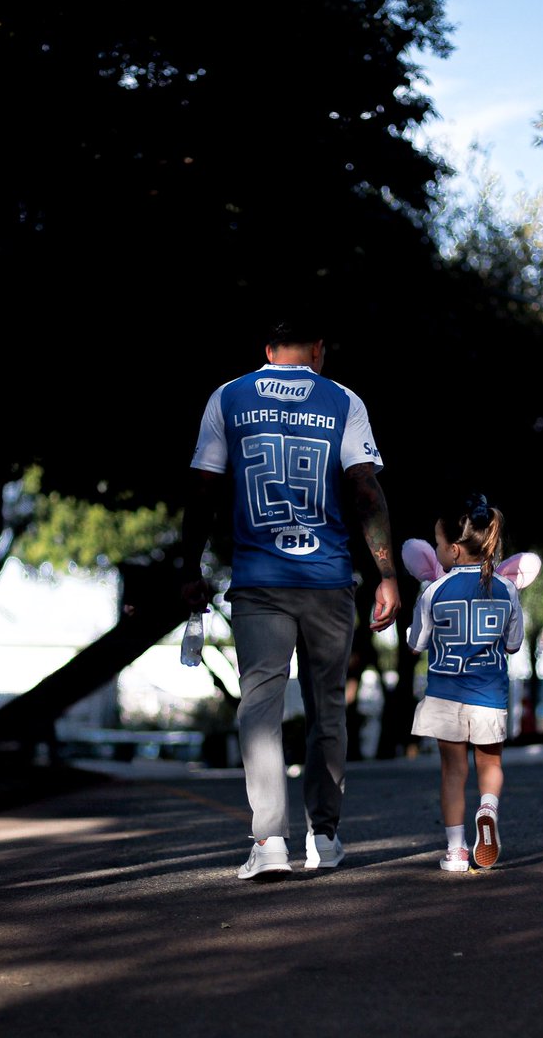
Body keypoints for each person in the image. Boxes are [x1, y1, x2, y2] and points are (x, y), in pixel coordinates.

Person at [180, 314, 400, 881]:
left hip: (259, 580)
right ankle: (323, 837)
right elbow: (365, 489)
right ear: (319, 349)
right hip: (327, 580)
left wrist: (189, 567)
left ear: (268, 348)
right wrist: (387, 574)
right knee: (328, 710)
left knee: (260, 707)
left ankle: (269, 841)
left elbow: (203, 487)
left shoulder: (228, 397)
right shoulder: (343, 401)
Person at [406, 494, 524, 872]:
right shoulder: (506, 590)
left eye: (439, 544)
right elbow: (513, 643)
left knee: (452, 772)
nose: (437, 550)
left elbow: (416, 643)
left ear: (454, 550)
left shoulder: (434, 591)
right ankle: (487, 809)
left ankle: (456, 851)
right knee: (490, 764)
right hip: (488, 695)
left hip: (445, 695)